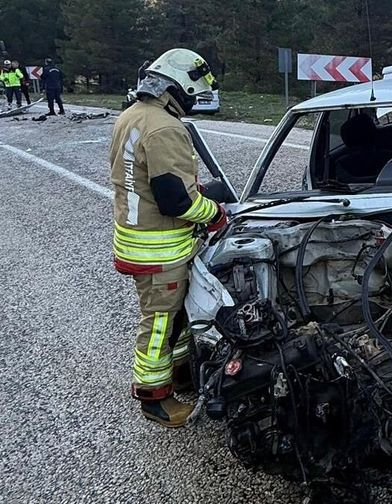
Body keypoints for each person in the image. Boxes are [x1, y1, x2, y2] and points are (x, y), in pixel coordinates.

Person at [109, 48, 225, 428]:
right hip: (159, 248)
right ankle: (154, 397)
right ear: (179, 86)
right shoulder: (166, 127)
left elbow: (148, 181)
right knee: (160, 323)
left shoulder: (133, 116)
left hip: (139, 239)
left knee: (172, 318)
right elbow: (175, 199)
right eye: (193, 92)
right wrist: (216, 214)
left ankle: (180, 372)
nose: (194, 100)